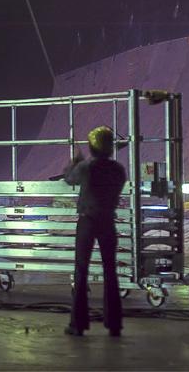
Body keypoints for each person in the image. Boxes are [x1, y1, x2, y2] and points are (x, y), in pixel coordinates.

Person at [64, 126, 127, 337]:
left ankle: (78, 324)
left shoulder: (86, 168)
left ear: (92, 147)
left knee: (81, 271)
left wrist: (75, 161)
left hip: (88, 221)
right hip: (108, 222)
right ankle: (114, 324)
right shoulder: (118, 170)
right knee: (111, 272)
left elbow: (69, 178)